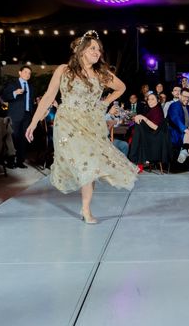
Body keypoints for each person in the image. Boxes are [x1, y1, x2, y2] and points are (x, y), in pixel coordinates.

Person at [25, 30, 137, 224]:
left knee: (90, 165)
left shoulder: (101, 74)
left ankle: (85, 209)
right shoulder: (64, 70)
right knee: (84, 162)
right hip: (68, 122)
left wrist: (104, 103)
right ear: (82, 50)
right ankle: (84, 205)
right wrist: (34, 121)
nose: (97, 52)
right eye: (93, 48)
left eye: (99, 49)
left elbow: (122, 88)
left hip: (92, 124)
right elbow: (49, 96)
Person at [2, 65, 34, 168]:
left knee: (23, 138)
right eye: (25, 72)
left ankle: (20, 161)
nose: (27, 74)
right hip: (15, 115)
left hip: (27, 115)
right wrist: (14, 93)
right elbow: (4, 97)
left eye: (29, 73)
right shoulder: (13, 84)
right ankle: (10, 161)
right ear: (20, 73)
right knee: (13, 138)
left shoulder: (31, 86)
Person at [167, 87, 189, 175]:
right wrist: (186, 130)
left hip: (186, 135)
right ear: (179, 95)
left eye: (188, 97)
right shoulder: (174, 106)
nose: (186, 99)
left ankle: (185, 150)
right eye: (184, 96)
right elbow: (176, 119)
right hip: (176, 133)